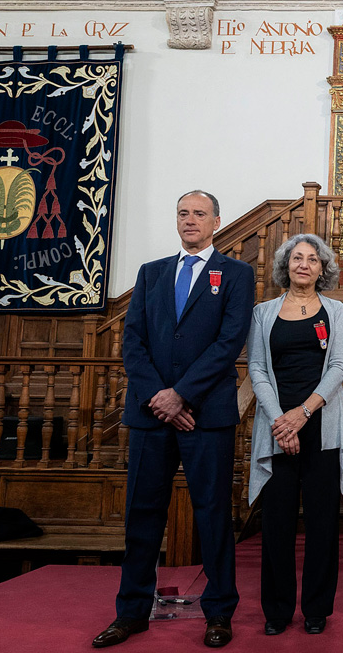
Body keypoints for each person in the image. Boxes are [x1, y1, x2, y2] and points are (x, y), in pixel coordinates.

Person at [93, 190, 255, 649]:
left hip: (207, 416)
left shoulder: (237, 274)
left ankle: (219, 611)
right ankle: (131, 613)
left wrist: (181, 396)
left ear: (216, 222)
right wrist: (160, 398)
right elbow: (133, 342)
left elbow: (229, 343)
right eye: (182, 213)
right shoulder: (152, 273)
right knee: (141, 516)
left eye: (199, 214)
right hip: (150, 417)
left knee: (213, 515)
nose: (189, 221)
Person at [246, 234, 343, 636]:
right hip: (277, 428)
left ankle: (316, 608)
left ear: (322, 268)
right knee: (276, 522)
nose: (303, 264)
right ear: (285, 266)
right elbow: (257, 369)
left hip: (320, 424)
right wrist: (280, 421)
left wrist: (302, 414)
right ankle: (276, 610)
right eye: (296, 258)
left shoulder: (335, 311)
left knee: (323, 523)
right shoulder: (264, 312)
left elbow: (339, 366)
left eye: (312, 259)